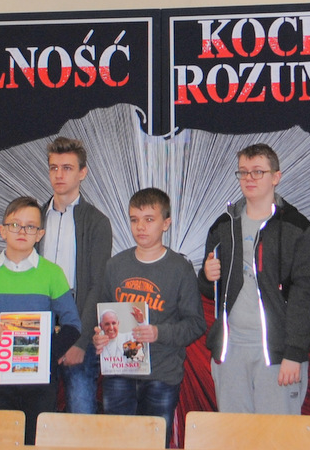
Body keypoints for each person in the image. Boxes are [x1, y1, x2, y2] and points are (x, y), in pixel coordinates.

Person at [198, 143, 310, 414]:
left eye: (257, 172)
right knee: (234, 434)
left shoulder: (297, 227)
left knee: (277, 434)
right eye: (243, 172)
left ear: (276, 177)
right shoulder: (223, 225)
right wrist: (207, 277)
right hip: (230, 351)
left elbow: (306, 294)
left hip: (276, 354)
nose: (249, 178)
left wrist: (294, 353)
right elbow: (209, 289)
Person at [0, 196, 81, 445]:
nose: (22, 231)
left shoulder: (53, 274)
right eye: (15, 225)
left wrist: (47, 354)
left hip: (40, 379)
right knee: (1, 440)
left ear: (40, 234)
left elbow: (73, 325)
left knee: (37, 440)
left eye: (30, 226)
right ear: (2, 230)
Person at [93, 188, 206, 447]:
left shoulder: (180, 269)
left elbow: (196, 324)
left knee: (153, 443)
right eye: (134, 219)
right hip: (118, 373)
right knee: (117, 444)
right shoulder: (115, 266)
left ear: (166, 223)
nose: (140, 227)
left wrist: (158, 333)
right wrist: (98, 337)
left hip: (161, 375)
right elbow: (101, 317)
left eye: (149, 219)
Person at [39, 136, 112, 414]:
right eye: (54, 168)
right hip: (38, 328)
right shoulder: (34, 219)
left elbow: (98, 285)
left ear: (82, 173)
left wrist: (80, 342)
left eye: (67, 168)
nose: (59, 174)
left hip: (78, 324)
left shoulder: (97, 222)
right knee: (37, 414)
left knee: (80, 414)